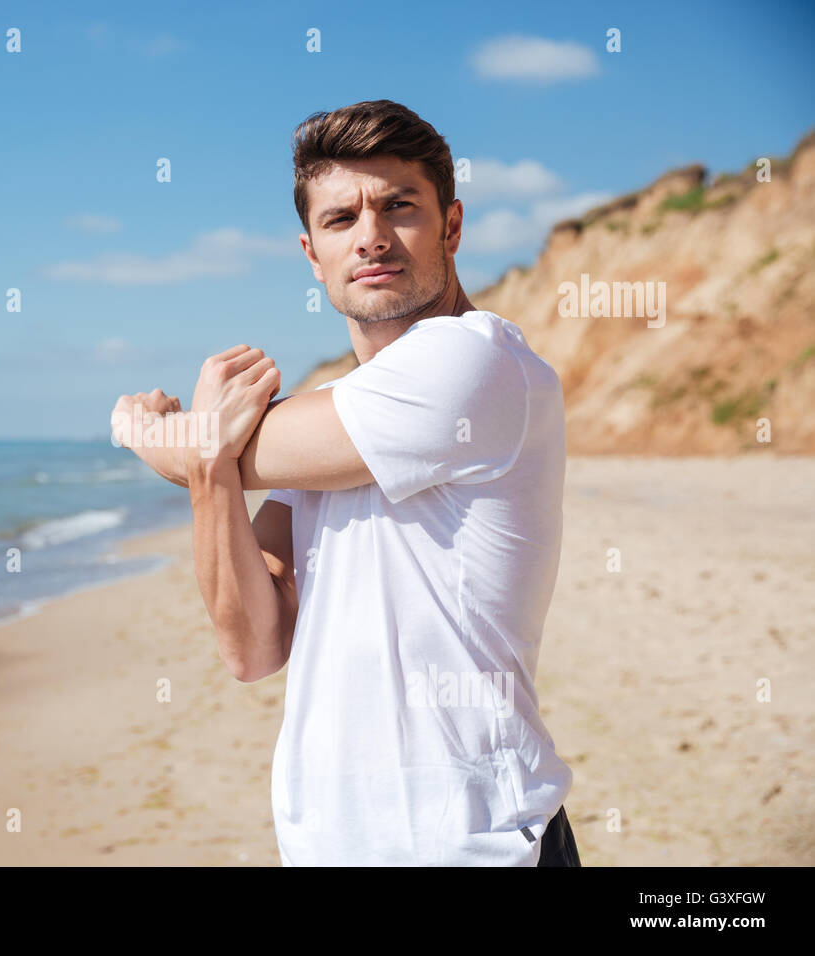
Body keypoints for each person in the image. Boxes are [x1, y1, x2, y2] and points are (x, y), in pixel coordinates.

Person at [111, 99, 579, 866]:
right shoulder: (342, 425)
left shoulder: (474, 363)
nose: (372, 236)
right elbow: (252, 648)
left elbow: (212, 441)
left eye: (400, 207)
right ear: (311, 253)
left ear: (452, 227)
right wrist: (206, 475)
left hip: (472, 844)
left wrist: (142, 429)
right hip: (330, 846)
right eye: (341, 220)